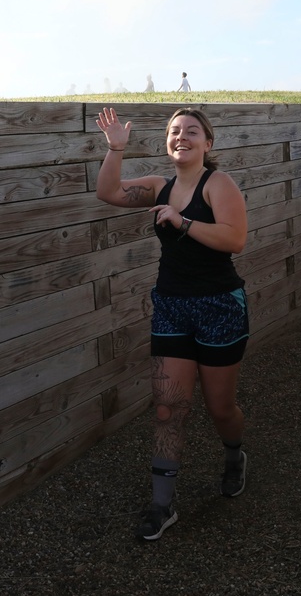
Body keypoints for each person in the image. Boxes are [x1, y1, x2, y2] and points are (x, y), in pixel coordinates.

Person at [94, 107, 249, 541]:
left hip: (220, 307)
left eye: (192, 131)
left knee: (221, 409)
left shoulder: (218, 184)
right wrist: (115, 149)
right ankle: (162, 505)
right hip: (172, 307)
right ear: (168, 141)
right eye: (175, 131)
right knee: (168, 408)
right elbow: (107, 192)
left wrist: (183, 222)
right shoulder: (159, 187)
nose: (182, 136)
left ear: (208, 143)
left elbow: (235, 239)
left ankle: (234, 454)